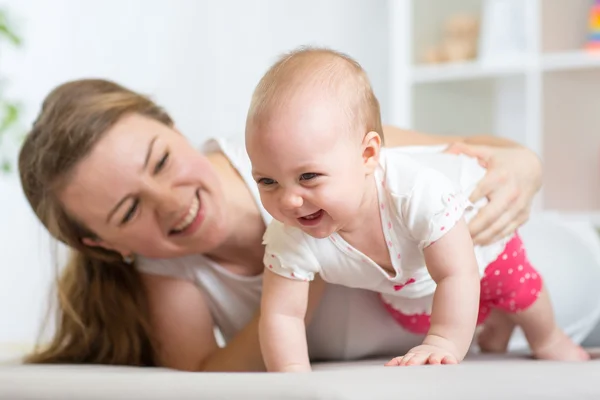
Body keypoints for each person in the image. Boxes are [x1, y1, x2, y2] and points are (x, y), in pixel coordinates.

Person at [18, 75, 543, 372]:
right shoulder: (168, 270)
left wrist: (525, 162)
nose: (170, 201)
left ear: (174, 128)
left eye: (160, 162)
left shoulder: (298, 149)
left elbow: (478, 153)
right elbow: (204, 373)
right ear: (103, 244)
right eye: (128, 211)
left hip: (512, 261)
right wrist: (293, 291)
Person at [245, 47, 589, 371]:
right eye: (267, 182)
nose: (289, 201)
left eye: (308, 176)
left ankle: (549, 338)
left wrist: (443, 343)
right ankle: (494, 325)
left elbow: (457, 273)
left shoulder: (415, 191)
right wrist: (291, 378)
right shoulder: (289, 233)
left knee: (518, 290)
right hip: (412, 282)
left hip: (477, 240)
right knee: (419, 316)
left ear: (367, 156)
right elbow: (282, 316)